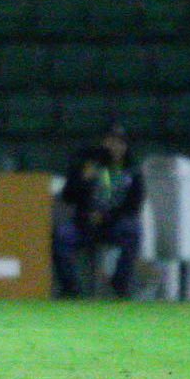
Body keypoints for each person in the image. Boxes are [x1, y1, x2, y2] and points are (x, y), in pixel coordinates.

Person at [53, 123, 144, 298]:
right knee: (61, 236)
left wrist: (106, 216)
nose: (114, 147)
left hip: (114, 224)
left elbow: (134, 205)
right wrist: (82, 180)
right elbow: (67, 196)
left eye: (119, 143)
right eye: (110, 142)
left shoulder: (132, 171)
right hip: (84, 224)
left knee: (133, 231)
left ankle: (120, 283)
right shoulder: (88, 164)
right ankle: (70, 288)